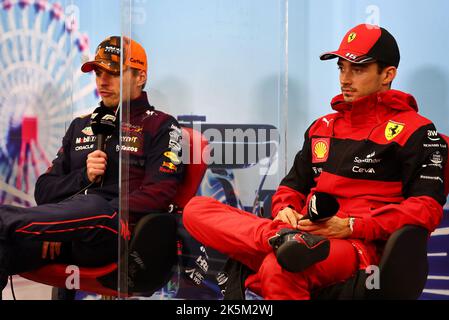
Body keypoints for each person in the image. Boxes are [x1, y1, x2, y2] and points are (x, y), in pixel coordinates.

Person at [183, 24, 447, 299]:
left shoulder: (416, 131)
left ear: (387, 74)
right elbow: (291, 188)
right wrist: (285, 209)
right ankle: (279, 237)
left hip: (356, 246)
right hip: (301, 233)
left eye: (357, 70)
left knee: (279, 267)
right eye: (341, 68)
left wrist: (351, 226)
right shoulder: (322, 127)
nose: (345, 79)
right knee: (196, 208)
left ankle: (287, 243)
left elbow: (425, 208)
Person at [0, 36, 184, 293]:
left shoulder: (161, 125)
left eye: (113, 73)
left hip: (117, 236)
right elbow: (43, 190)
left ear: (140, 77)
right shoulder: (80, 125)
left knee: (94, 206)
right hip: (64, 234)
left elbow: (160, 194)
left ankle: (5, 218)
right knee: (4, 249)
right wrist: (83, 179)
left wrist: (76, 215)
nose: (102, 81)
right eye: (98, 72)